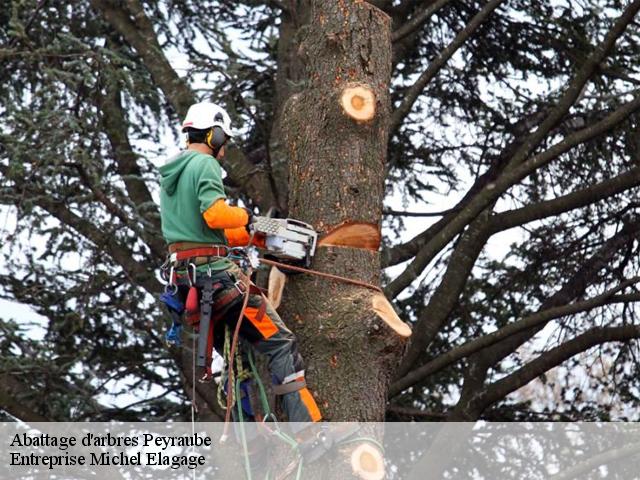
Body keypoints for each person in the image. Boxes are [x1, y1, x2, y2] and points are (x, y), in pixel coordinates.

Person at [158, 101, 321, 425]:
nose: (224, 150)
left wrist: (251, 235)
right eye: (224, 141)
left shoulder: (172, 175)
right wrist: (249, 217)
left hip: (189, 280)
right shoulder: (204, 164)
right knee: (281, 343)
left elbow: (202, 232)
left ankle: (253, 440)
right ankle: (307, 431)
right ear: (213, 136)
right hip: (218, 279)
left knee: (239, 358)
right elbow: (216, 214)